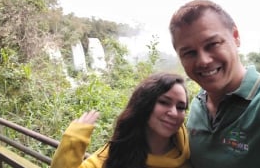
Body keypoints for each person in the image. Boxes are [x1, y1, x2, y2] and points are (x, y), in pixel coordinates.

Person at [169, 0, 260, 168]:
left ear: (235, 37)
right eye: (189, 53)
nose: (203, 61)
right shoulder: (197, 104)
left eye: (213, 44)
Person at [50, 72, 191, 168]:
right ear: (145, 104)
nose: (173, 112)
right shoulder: (119, 152)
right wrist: (73, 141)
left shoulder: (193, 152)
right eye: (164, 102)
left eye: (181, 107)